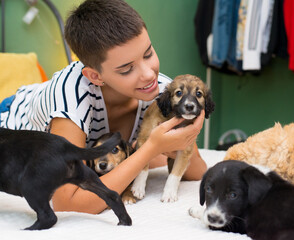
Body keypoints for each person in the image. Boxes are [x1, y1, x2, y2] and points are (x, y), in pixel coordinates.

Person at [0, 0, 206, 214]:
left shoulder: (163, 91)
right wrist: (150, 149)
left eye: (148, 54)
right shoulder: (72, 96)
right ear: (95, 76)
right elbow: (67, 203)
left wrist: (184, 138)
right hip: (7, 119)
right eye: (126, 69)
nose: (148, 74)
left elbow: (198, 172)